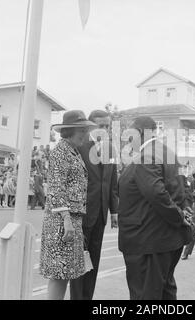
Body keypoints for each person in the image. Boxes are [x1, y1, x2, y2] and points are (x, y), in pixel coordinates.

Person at [118, 116, 192, 300]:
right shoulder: (167, 153)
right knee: (164, 291)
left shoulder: (147, 157)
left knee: (146, 295)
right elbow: (180, 190)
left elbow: (157, 195)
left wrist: (178, 217)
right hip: (164, 240)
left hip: (148, 241)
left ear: (141, 133)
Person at [39, 110, 96, 300]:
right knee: (59, 272)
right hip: (61, 221)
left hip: (69, 219)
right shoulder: (61, 152)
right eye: (83, 130)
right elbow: (56, 187)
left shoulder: (72, 151)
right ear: (70, 130)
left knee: (65, 272)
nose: (86, 135)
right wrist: (67, 220)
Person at [70, 109, 119, 300]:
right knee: (79, 261)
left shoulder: (110, 149)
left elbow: (112, 181)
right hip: (80, 213)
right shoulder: (79, 145)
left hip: (101, 214)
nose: (105, 129)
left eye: (107, 126)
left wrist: (114, 211)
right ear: (91, 126)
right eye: (101, 125)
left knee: (94, 262)